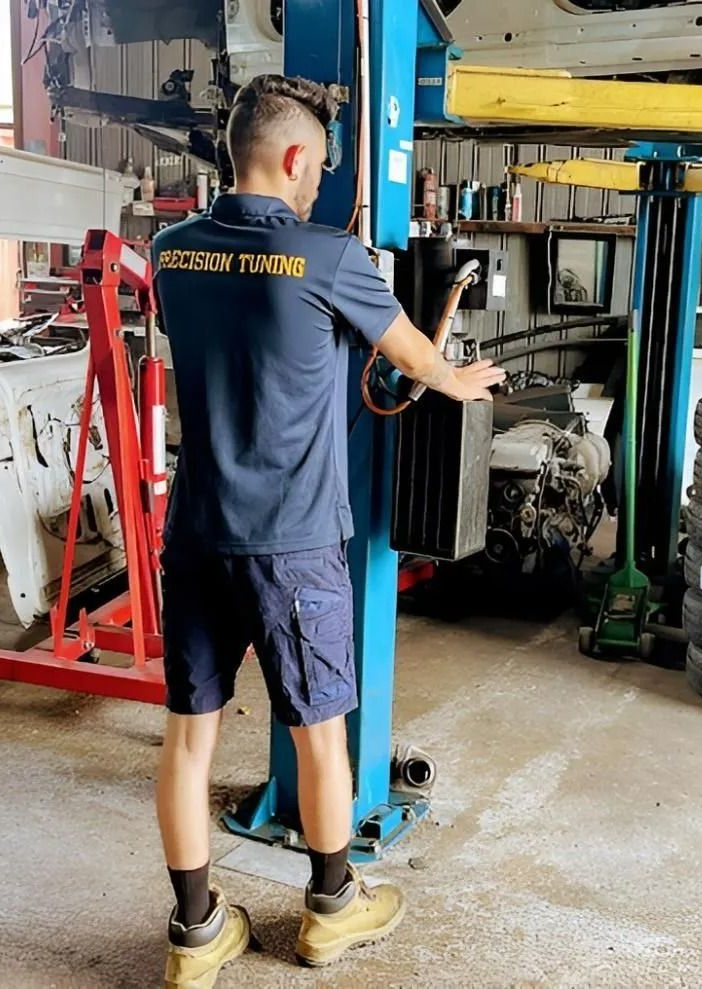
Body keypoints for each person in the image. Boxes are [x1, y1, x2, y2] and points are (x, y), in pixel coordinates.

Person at [151, 74, 505, 987]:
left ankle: (195, 935)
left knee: (188, 739)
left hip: (194, 532)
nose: (319, 188)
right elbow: (410, 356)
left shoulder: (170, 251)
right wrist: (459, 380)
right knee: (319, 738)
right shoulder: (327, 257)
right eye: (317, 170)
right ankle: (333, 909)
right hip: (294, 543)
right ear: (296, 157)